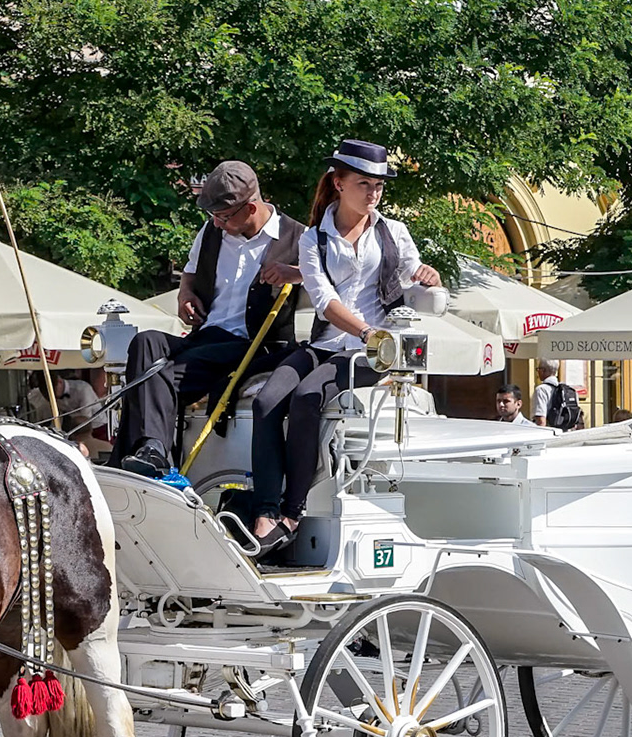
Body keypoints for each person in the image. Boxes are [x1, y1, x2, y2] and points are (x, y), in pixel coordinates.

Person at [249, 140, 441, 554]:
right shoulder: (314, 238)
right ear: (338, 183)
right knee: (265, 401)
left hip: (377, 351)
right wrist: (364, 330)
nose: (373, 193)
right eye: (364, 184)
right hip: (332, 341)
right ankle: (264, 508)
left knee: (306, 396)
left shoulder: (394, 232)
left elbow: (417, 278)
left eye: (379, 186)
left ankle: (291, 512)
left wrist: (430, 275)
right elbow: (325, 302)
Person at [115, 161, 305, 477]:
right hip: (206, 336)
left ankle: (148, 454)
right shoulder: (210, 232)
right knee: (146, 342)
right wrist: (184, 295)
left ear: (252, 208)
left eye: (224, 216)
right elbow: (190, 272)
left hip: (253, 345)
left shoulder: (299, 238)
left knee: (150, 379)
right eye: (213, 216)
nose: (217, 223)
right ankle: (153, 452)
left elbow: (329, 281)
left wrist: (295, 273)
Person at [532, 359, 580, 429]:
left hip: (551, 433)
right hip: (567, 433)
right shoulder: (569, 390)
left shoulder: (541, 390)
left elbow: (541, 421)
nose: (538, 372)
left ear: (543, 370)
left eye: (538, 369)